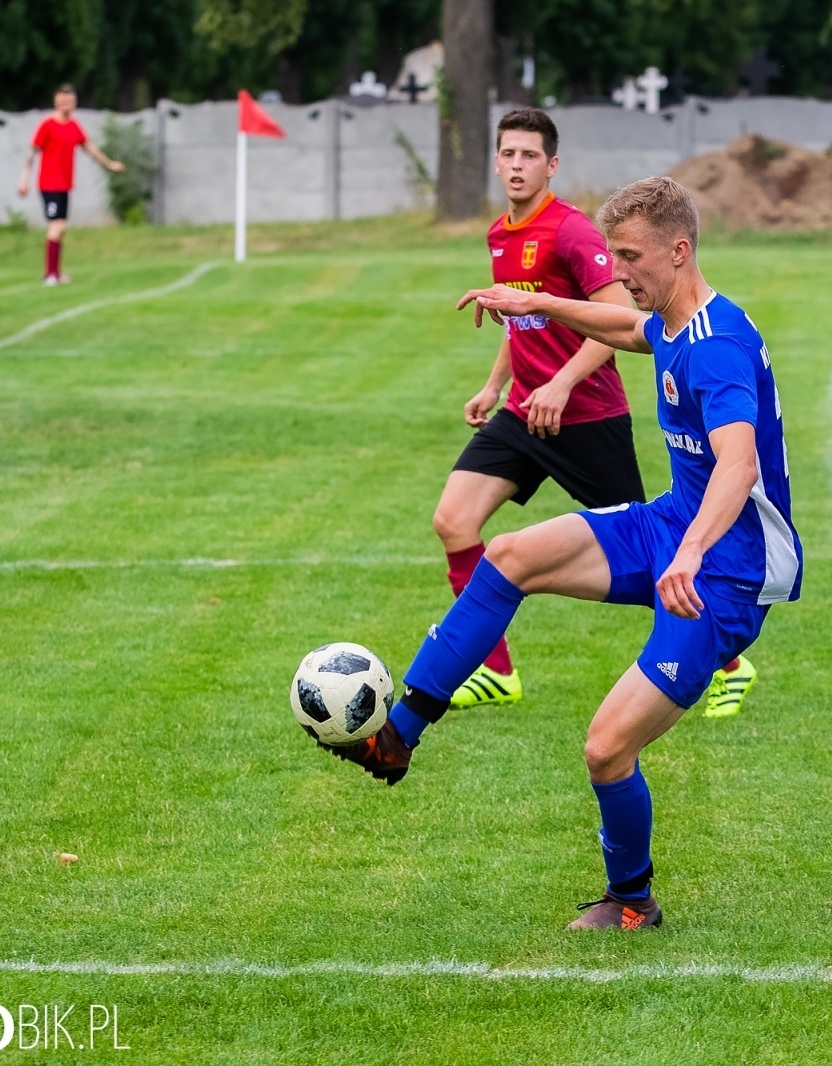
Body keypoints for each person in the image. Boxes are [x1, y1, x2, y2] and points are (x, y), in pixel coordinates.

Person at [321, 177, 802, 930]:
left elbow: (738, 466)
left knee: (607, 748)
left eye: (631, 257)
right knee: (510, 553)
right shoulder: (677, 316)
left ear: (679, 251)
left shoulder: (719, 351)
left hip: (722, 570)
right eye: (614, 253)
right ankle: (396, 739)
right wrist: (539, 304)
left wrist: (691, 555)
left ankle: (633, 901)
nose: (620, 271)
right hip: (673, 525)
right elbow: (629, 332)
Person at [435, 107, 759, 718]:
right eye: (507, 153)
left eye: (530, 155)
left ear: (552, 164)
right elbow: (527, 320)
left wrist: (559, 383)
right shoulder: (499, 234)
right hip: (525, 413)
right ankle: (495, 671)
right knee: (454, 519)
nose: (516, 165)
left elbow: (617, 318)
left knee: (658, 553)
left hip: (585, 416)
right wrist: (495, 385)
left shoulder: (572, 232)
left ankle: (730, 660)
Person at [17, 84, 126, 285]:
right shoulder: (47, 124)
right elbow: (32, 152)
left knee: (61, 227)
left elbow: (89, 148)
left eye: (70, 100)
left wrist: (109, 164)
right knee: (56, 226)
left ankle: (56, 273)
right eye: (62, 100)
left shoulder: (74, 126)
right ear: (56, 101)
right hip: (49, 184)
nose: (66, 104)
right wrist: (24, 179)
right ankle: (49, 274)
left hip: (65, 185)